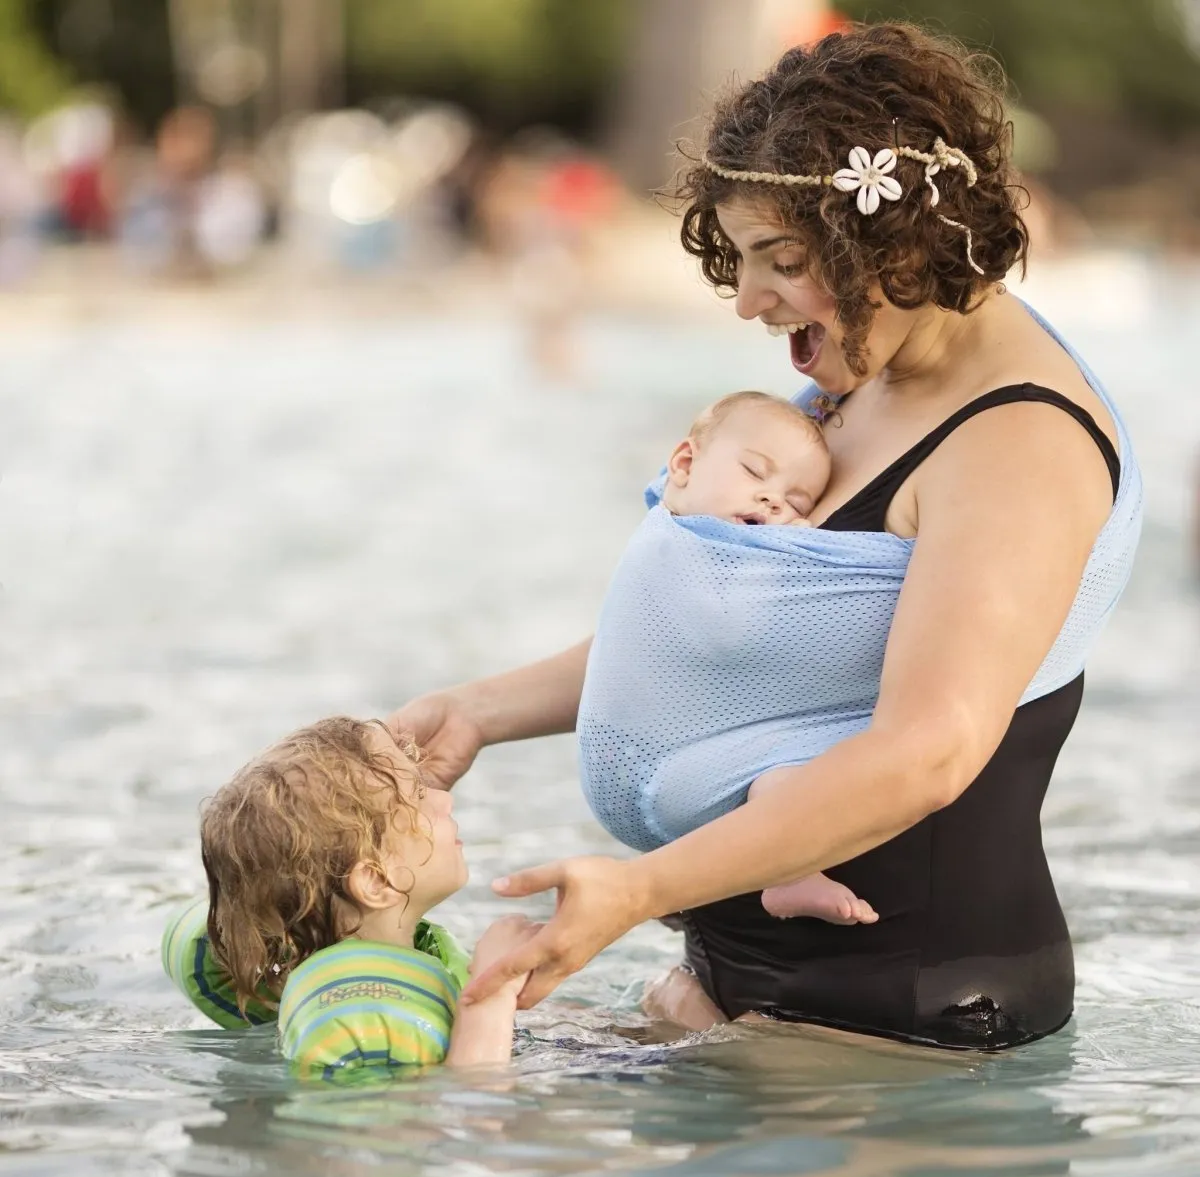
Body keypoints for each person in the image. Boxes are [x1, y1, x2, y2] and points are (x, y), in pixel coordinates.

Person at [388, 23, 1143, 1050]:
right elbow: (719, 631)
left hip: (908, 1021)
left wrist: (637, 891)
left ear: (897, 242)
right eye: (742, 260)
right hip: (758, 999)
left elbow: (930, 753)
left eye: (781, 260)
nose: (745, 301)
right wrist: (480, 709)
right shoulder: (862, 378)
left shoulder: (1018, 444)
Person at [162, 716, 539, 1075]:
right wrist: (495, 988)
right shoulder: (366, 1018)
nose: (445, 800)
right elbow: (475, 1100)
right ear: (376, 881)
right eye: (419, 796)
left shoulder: (387, 973)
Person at [654, 387, 877, 925]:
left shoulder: (685, 526)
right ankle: (790, 872)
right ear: (685, 462)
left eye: (797, 502)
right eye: (755, 473)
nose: (774, 500)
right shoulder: (679, 535)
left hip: (689, 747)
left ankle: (676, 881)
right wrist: (799, 551)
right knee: (788, 773)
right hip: (687, 751)